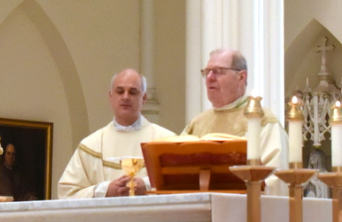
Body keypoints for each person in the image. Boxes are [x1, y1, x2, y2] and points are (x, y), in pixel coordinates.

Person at [58, 69, 175, 198]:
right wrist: (105, 190)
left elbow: (184, 185)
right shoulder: (91, 145)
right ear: (111, 96)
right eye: (120, 91)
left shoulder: (167, 141)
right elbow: (67, 193)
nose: (125, 97)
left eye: (132, 92)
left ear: (144, 98)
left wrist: (147, 186)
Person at [180, 48, 288, 179]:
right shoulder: (197, 124)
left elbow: (276, 178)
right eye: (207, 72)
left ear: (241, 77)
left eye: (217, 71)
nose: (209, 78)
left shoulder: (262, 120)